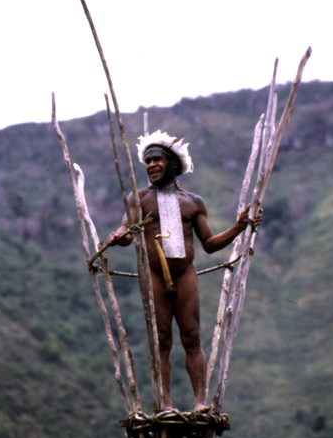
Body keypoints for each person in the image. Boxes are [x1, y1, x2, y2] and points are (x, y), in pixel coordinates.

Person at [107, 130, 262, 411]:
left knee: (191, 335)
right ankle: (165, 403)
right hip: (154, 274)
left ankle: (200, 401)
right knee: (162, 339)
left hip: (184, 273)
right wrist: (118, 236)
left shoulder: (193, 202)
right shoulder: (138, 198)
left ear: (174, 164)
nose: (151, 165)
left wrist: (239, 226)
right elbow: (127, 231)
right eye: (148, 161)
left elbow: (210, 244)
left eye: (157, 159)